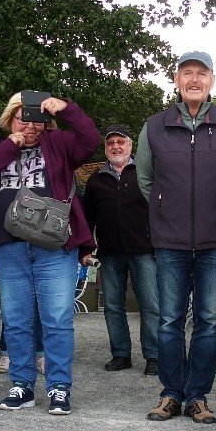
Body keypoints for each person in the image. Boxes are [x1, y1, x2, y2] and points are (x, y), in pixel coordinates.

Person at [0, 92, 99, 415]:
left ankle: (59, 387)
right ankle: (21, 385)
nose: (31, 126)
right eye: (23, 119)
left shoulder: (59, 143)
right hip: (10, 245)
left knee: (57, 318)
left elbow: (90, 140)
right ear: (10, 119)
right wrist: (11, 145)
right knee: (16, 319)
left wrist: (66, 110)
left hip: (54, 244)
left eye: (37, 119)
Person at [136, 51, 216, 424]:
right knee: (168, 319)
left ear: (212, 80)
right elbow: (145, 180)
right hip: (168, 240)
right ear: (176, 80)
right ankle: (171, 394)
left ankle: (197, 396)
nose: (194, 79)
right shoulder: (154, 127)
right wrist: (165, 207)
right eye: (187, 73)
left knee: (209, 320)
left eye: (201, 73)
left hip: (215, 240)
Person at [82, 125, 160, 376]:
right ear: (106, 148)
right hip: (110, 252)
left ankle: (154, 356)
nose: (116, 146)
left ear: (130, 145)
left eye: (121, 142)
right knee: (113, 306)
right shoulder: (96, 179)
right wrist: (85, 248)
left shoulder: (147, 173)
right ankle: (120, 354)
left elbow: (163, 210)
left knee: (151, 305)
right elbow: (86, 218)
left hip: (144, 250)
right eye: (110, 143)